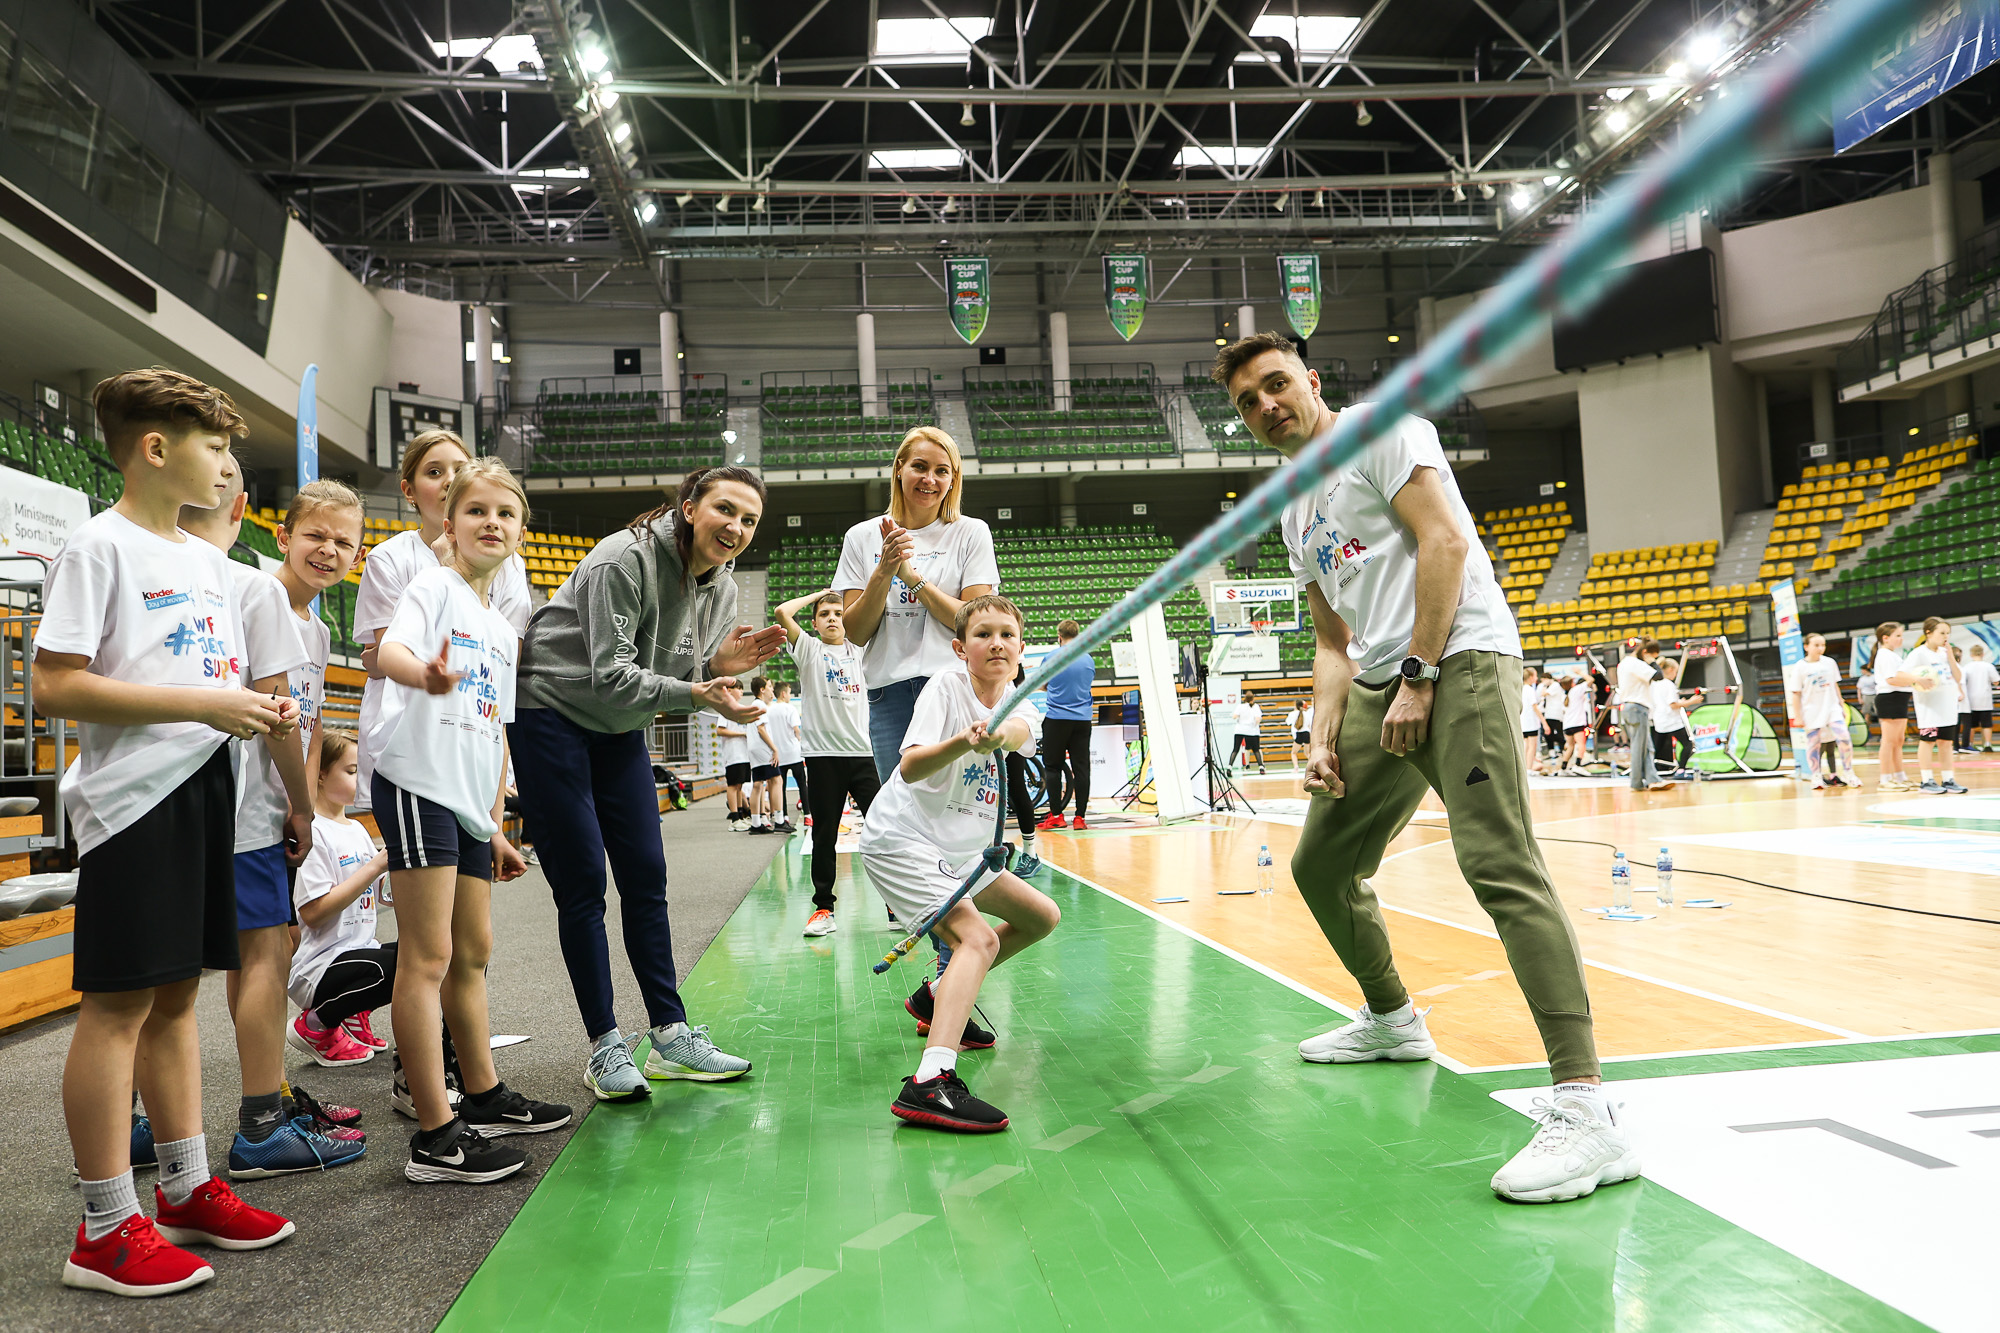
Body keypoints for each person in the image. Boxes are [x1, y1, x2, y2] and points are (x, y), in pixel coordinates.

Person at [1215, 332, 1634, 1204]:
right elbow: (1332, 640)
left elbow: (1443, 542)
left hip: (1458, 659)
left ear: (1312, 380)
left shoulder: (1381, 432)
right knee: (1320, 863)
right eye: (1248, 402)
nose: (1266, 406)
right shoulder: (1295, 506)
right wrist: (1324, 730)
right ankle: (1393, 1019)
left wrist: (1422, 674)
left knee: (1499, 866)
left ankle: (1587, 1108)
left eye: (1276, 385)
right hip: (1380, 680)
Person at [36, 370, 298, 1297]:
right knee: (117, 1007)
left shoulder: (202, 560)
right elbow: (54, 683)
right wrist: (202, 702)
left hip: (203, 792)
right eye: (217, 447)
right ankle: (106, 1225)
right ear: (157, 448)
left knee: (179, 999)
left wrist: (239, 707)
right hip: (130, 806)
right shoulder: (98, 547)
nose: (230, 467)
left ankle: (184, 1188)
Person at [511, 467, 777, 1101]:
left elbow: (675, 666)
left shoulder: (723, 587)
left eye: (749, 520)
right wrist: (700, 691)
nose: (736, 527)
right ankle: (605, 1046)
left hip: (618, 728)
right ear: (689, 508)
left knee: (645, 875)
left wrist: (718, 667)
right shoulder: (621, 560)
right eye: (725, 510)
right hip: (550, 712)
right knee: (582, 883)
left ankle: (670, 1032)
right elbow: (612, 673)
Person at [369, 457, 571, 1183]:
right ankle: (435, 1134)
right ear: (448, 524)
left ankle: (483, 1093)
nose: (492, 522)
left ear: (521, 531)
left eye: (506, 513)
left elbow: (493, 731)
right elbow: (390, 646)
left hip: (466, 800)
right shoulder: (435, 587)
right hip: (417, 785)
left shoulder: (499, 626)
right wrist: (419, 670)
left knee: (472, 950)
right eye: (477, 510)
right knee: (426, 958)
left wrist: (495, 827)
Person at [179, 469, 367, 1180]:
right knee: (255, 954)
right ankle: (260, 1115)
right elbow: (274, 715)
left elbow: (311, 728)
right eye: (315, 534)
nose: (327, 549)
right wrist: (293, 801)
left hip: (279, 810)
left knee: (271, 950)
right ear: (281, 534)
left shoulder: (317, 628)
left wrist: (309, 806)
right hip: (242, 805)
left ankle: (273, 1093)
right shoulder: (251, 592)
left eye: (343, 542)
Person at [859, 595, 1060, 1133]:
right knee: (979, 939)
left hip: (959, 849)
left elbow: (1017, 733)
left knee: (1041, 917)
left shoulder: (1019, 701)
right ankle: (931, 1080)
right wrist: (963, 741)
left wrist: (997, 734)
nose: (996, 643)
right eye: (983, 634)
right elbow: (912, 765)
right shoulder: (945, 688)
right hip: (902, 840)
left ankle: (936, 996)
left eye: (1007, 635)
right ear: (959, 647)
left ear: (1021, 649)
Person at [353, 430, 531, 811]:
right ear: (409, 491)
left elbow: (503, 666)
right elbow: (395, 653)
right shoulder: (391, 559)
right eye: (434, 472)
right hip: (409, 743)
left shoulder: (511, 565)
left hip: (475, 735)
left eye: (459, 469)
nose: (449, 479)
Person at [835, 426, 999, 785]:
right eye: (920, 467)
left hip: (953, 684)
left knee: (956, 804)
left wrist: (913, 579)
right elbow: (856, 632)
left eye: (942, 471)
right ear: (899, 469)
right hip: (888, 692)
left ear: (953, 479)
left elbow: (972, 621)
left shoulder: (971, 532)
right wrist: (884, 571)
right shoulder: (862, 537)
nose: (930, 479)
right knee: (899, 807)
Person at [288, 731, 396, 1065]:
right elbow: (314, 912)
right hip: (319, 964)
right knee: (401, 966)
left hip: (356, 951)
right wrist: (376, 864)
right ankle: (315, 1025)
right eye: (351, 771)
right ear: (321, 774)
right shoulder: (314, 830)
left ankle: (352, 1013)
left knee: (431, 951)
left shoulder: (357, 828)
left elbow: (379, 895)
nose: (361, 778)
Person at [776, 590, 879, 937]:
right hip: (823, 759)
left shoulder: (861, 651)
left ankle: (899, 903)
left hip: (864, 756)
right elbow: (782, 610)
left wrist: (846, 604)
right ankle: (823, 909)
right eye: (825, 614)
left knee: (887, 830)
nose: (833, 618)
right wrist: (821, 594)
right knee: (824, 836)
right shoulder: (808, 650)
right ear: (816, 623)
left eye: (838, 612)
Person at [1036, 619, 1098, 830]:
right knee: (1082, 769)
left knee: (1053, 767)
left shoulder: (1051, 658)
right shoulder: (1088, 660)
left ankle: (1056, 815)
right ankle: (1080, 818)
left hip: (1056, 719)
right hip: (1082, 720)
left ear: (1059, 636)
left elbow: (1042, 685)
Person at [1902, 616, 1967, 794]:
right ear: (1928, 633)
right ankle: (1927, 780)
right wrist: (1918, 679)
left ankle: (1948, 779)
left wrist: (1950, 655)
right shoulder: (1918, 654)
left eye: (1948, 633)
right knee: (1928, 742)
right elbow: (1900, 675)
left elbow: (1958, 677)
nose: (1946, 636)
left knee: (1946, 743)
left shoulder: (1945, 653)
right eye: (1942, 633)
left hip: (1948, 706)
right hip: (1929, 708)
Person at [1788, 633, 1859, 790]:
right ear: (1806, 647)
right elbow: (1796, 693)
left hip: (1831, 708)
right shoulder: (1800, 667)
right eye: (1817, 645)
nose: (1821, 648)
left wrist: (1841, 705)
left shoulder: (1830, 663)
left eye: (1823, 645)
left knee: (1844, 737)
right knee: (1814, 744)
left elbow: (1835, 685)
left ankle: (1848, 772)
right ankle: (1816, 776)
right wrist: (1797, 716)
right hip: (1811, 710)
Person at [1616, 640, 1674, 792]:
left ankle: (1652, 779)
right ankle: (1636, 782)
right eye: (1652, 655)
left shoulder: (1624, 663)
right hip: (1637, 707)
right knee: (1638, 747)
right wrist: (1653, 662)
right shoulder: (1635, 663)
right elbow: (1659, 676)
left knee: (1647, 748)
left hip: (1631, 707)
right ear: (1645, 653)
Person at [1869, 622, 1915, 790]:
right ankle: (1885, 778)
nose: (1900, 639)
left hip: (1899, 698)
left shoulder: (1893, 655)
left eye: (1901, 635)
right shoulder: (1885, 655)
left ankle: (1900, 776)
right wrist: (1915, 680)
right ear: (1885, 638)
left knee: (1898, 740)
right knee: (1888, 741)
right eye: (1897, 635)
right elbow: (1891, 679)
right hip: (1889, 698)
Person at [746, 678, 783, 834]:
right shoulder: (759, 705)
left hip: (755, 749)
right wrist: (774, 748)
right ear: (762, 689)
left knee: (758, 784)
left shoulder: (755, 705)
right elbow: (761, 729)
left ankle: (756, 823)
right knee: (776, 779)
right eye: (769, 687)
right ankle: (780, 820)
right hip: (763, 749)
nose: (772, 691)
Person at [1650, 659, 1697, 779]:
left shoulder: (1655, 685)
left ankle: (1649, 770)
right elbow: (1672, 705)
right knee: (1688, 744)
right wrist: (1690, 702)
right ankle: (1681, 770)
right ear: (1670, 670)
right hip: (1671, 720)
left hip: (1659, 720)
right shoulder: (1668, 684)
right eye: (1675, 672)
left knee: (1656, 749)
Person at [769, 680, 807, 825]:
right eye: (790, 693)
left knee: (781, 788)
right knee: (802, 785)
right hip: (793, 753)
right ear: (784, 694)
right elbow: (796, 729)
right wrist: (800, 740)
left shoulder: (770, 709)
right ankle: (808, 814)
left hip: (779, 755)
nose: (790, 696)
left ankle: (784, 816)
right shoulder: (790, 709)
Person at [710, 709, 753, 830]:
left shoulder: (741, 710)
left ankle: (740, 815)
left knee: (739, 786)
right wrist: (741, 734)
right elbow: (719, 730)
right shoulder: (725, 711)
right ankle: (734, 819)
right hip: (733, 754)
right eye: (738, 689)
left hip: (744, 754)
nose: (740, 692)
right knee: (733, 785)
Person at [1961, 642, 1997, 751]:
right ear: (1982, 654)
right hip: (1985, 699)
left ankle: (1970, 744)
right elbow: (1996, 681)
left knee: (1971, 725)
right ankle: (1987, 744)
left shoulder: (1966, 667)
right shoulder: (1988, 666)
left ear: (1971, 654)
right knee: (1986, 724)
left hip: (1970, 700)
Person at [1561, 672, 1594, 775]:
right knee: (1581, 745)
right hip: (1577, 723)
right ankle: (1577, 765)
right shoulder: (1576, 690)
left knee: (1570, 746)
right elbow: (1590, 680)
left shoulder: (1564, 696)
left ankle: (1563, 768)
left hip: (1567, 725)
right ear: (1571, 683)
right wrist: (1579, 672)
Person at [1951, 645, 1979, 757]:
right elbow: (1958, 682)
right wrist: (1961, 693)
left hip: (1954, 698)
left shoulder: (1952, 667)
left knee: (1956, 723)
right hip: (1960, 697)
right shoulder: (1957, 668)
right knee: (1966, 722)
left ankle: (1955, 746)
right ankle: (1965, 745)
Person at [1520, 666, 1546, 776]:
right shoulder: (1530, 690)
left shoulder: (1520, 689)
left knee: (1525, 745)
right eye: (1535, 676)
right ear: (1531, 677)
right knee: (1532, 746)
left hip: (1523, 722)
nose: (1536, 678)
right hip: (1531, 722)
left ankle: (1525, 768)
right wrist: (1544, 722)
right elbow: (1535, 707)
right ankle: (1529, 769)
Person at [1232, 695, 1266, 773]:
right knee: (1256, 749)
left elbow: (1234, 716)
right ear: (1252, 699)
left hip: (1241, 730)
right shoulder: (1255, 707)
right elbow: (1258, 719)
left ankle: (1231, 767)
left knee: (1238, 749)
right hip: (1252, 731)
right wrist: (1255, 724)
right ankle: (1261, 766)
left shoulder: (1241, 706)